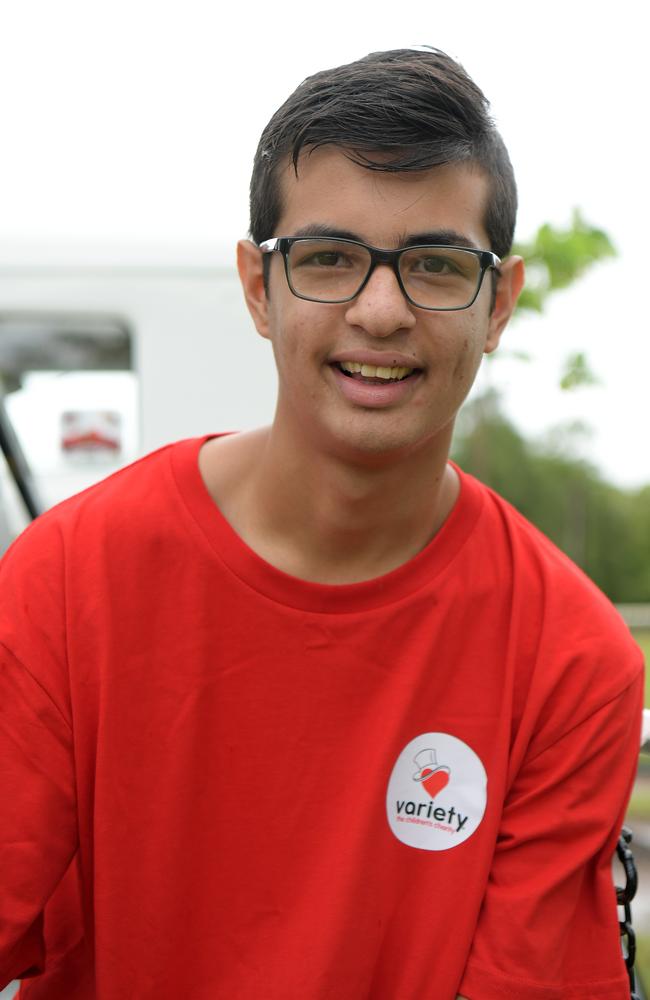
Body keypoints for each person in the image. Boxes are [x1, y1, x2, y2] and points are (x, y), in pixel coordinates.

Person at [0, 47, 643, 1000]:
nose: (379, 312)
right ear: (259, 288)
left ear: (497, 303)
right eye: (330, 258)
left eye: (434, 264)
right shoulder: (67, 580)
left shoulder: (569, 659)